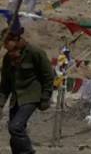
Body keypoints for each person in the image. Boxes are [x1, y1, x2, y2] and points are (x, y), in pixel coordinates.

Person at [1, 23, 53, 154]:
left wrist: (45, 97)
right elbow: (5, 85)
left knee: (15, 127)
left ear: (17, 39)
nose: (5, 46)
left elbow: (48, 76)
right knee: (14, 132)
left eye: (7, 42)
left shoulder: (35, 53)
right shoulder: (7, 58)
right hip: (16, 99)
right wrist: (0, 104)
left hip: (31, 96)